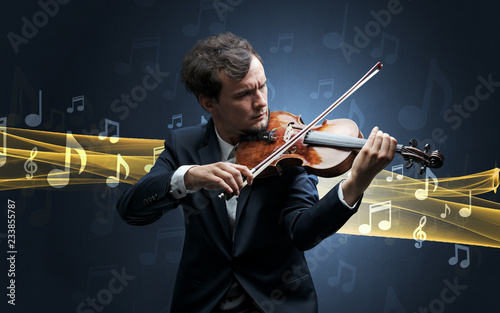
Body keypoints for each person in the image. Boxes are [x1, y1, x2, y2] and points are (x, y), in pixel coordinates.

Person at [116, 32, 397, 313]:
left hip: (279, 303)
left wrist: (355, 183)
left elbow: (302, 233)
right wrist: (188, 177)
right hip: (204, 304)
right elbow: (130, 209)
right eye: (244, 94)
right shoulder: (184, 146)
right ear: (209, 102)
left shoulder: (291, 146)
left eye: (262, 86)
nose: (261, 102)